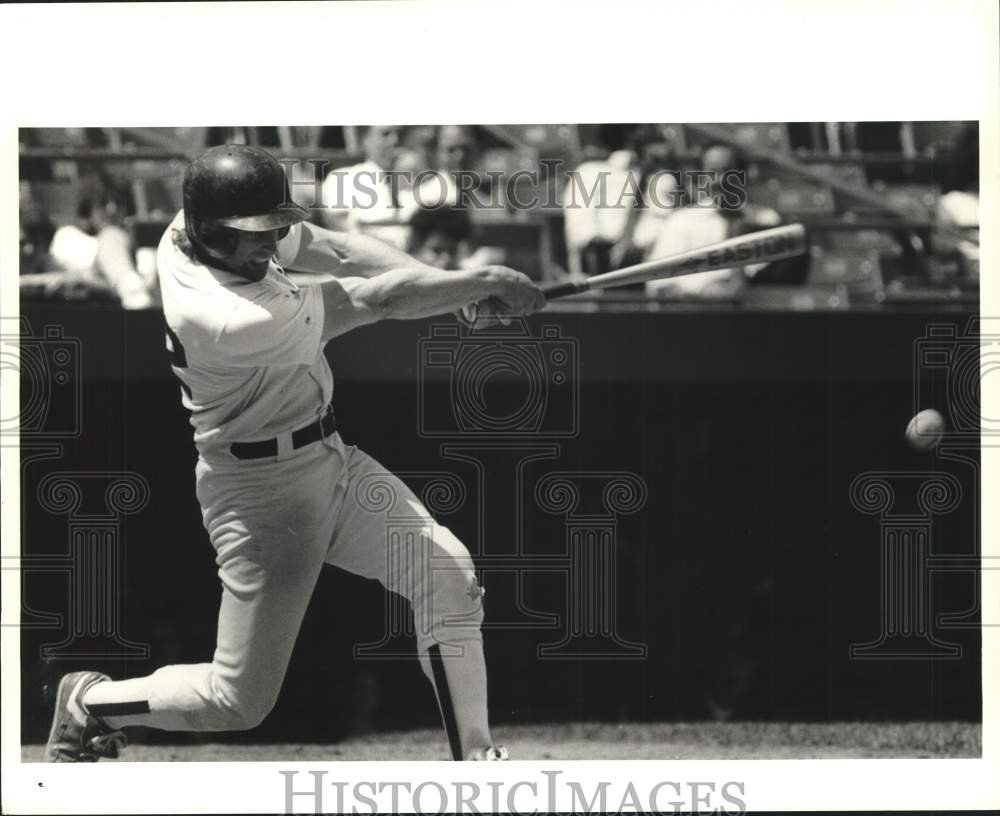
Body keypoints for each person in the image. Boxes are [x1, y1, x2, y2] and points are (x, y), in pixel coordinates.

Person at [45, 144, 545, 762]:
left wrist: (448, 289)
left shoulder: (195, 227)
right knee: (238, 700)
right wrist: (483, 283)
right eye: (258, 234)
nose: (273, 241)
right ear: (211, 232)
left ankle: (478, 761)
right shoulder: (226, 316)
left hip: (331, 458)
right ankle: (89, 702)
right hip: (259, 494)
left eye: (274, 227)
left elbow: (334, 249)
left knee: (447, 573)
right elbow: (376, 300)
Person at [645, 143, 783, 298]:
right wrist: (703, 289)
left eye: (729, 172)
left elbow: (759, 276)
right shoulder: (681, 220)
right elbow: (658, 280)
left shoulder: (766, 220)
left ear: (744, 175)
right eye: (712, 172)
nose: (720, 180)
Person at [318, 125, 411, 250]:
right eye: (385, 134)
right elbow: (342, 229)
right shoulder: (342, 178)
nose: (394, 141)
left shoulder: (418, 182)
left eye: (400, 134)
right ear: (365, 139)